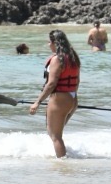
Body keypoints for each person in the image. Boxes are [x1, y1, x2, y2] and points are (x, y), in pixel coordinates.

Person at [27, 29, 80, 159]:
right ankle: (62, 158)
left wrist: (37, 102)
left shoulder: (57, 59)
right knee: (55, 134)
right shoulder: (73, 57)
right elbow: (77, 81)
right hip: (72, 99)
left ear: (55, 43)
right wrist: (72, 100)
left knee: (56, 137)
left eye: (49, 42)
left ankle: (63, 166)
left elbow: (51, 84)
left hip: (60, 99)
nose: (48, 45)